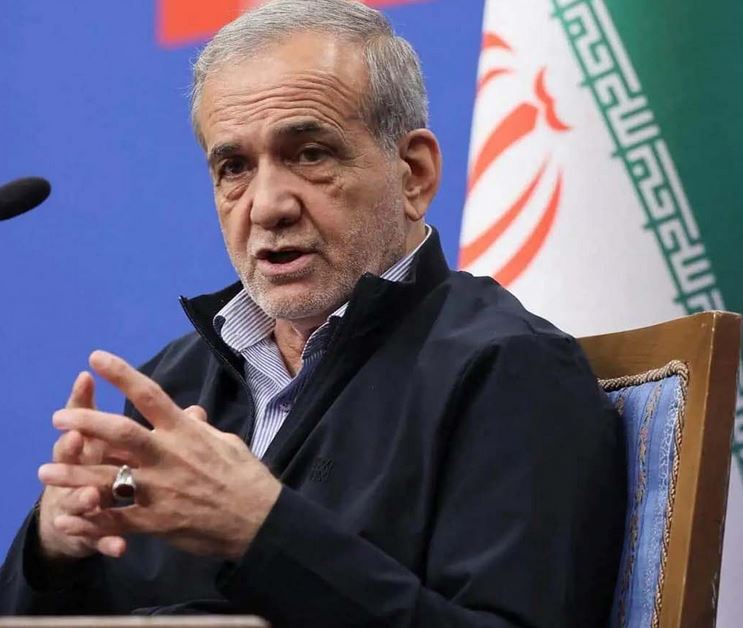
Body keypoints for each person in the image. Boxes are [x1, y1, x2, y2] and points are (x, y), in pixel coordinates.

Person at [0, 0, 626, 625]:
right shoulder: (172, 386)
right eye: (234, 167)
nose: (267, 206)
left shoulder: (510, 370)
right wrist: (51, 551)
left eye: (310, 154)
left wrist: (262, 530)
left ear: (413, 174)